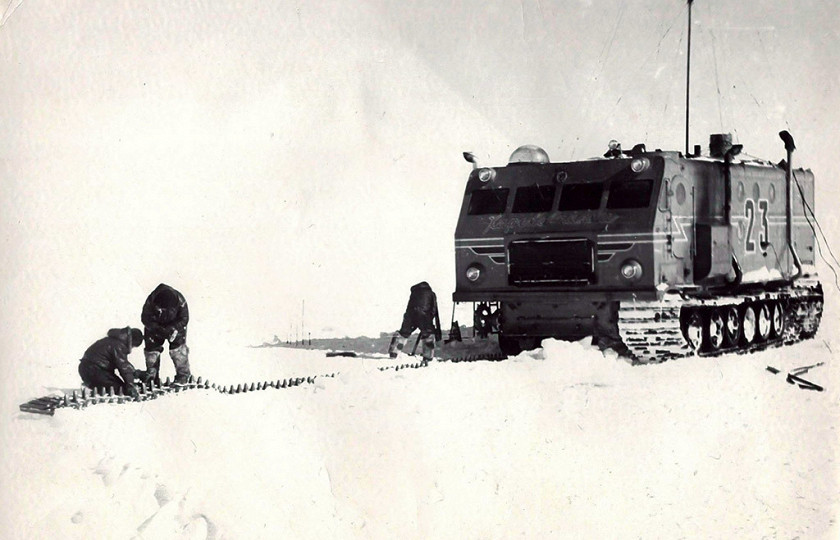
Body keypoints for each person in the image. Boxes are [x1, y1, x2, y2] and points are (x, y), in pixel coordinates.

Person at [141, 283, 191, 385]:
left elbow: (184, 318)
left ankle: (183, 375)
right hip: (155, 326)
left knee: (178, 349)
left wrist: (173, 328)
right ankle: (152, 375)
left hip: (175, 326)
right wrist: (157, 329)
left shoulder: (181, 302)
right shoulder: (151, 300)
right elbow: (145, 318)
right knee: (152, 349)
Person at [78, 327, 144, 398]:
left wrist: (135, 373)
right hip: (94, 370)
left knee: (119, 386)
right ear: (131, 342)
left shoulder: (114, 341)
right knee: (119, 389)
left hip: (90, 369)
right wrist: (130, 385)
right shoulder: (118, 345)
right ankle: (92, 387)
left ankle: (92, 385)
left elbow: (124, 364)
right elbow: (123, 366)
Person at [388, 281, 442, 362]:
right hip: (424, 316)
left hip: (410, 315)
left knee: (404, 333)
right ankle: (427, 356)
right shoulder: (431, 293)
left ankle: (394, 351)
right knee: (428, 334)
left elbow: (409, 307)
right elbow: (434, 310)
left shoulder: (414, 293)